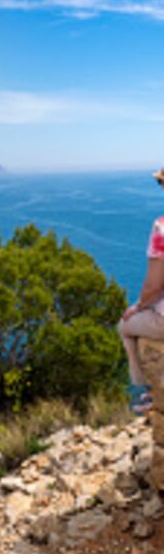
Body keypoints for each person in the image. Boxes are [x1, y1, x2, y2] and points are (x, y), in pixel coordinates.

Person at [119, 167, 164, 414]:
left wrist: (138, 306)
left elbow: (153, 286)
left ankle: (145, 390)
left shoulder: (161, 228)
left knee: (124, 326)